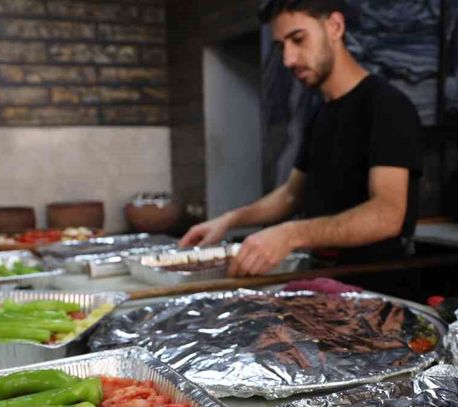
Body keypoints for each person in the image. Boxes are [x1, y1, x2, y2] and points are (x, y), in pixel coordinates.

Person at [181, 0, 423, 283]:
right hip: (325, 283)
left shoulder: (387, 106)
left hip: (376, 288)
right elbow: (291, 195)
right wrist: (228, 221)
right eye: (281, 46)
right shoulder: (319, 114)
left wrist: (290, 234)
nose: (288, 60)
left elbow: (387, 214)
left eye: (298, 39)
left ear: (335, 26)